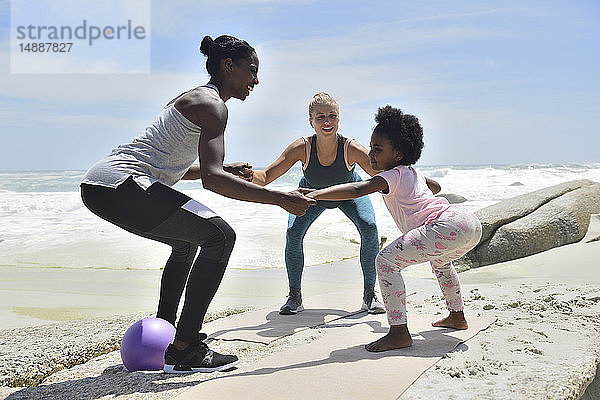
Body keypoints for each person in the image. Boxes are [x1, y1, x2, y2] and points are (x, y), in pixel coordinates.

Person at [80, 34, 315, 373]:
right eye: (251, 71)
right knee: (220, 236)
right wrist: (280, 198)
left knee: (187, 241)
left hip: (104, 185)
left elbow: (171, 165)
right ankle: (186, 348)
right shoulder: (213, 105)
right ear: (228, 65)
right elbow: (213, 179)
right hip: (121, 183)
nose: (256, 80)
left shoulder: (197, 98)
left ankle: (169, 332)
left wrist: (224, 168)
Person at [306, 105, 482, 352]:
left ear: (398, 154)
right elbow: (437, 187)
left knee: (386, 262)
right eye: (371, 147)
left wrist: (316, 194)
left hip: (444, 225)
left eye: (378, 149)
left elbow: (357, 189)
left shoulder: (390, 175)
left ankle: (399, 332)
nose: (371, 154)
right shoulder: (411, 172)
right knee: (441, 263)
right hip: (468, 223)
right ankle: (456, 315)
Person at [252, 93, 439, 316]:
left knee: (369, 228)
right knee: (293, 233)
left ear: (339, 119)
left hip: (350, 194)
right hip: (313, 194)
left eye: (332, 116)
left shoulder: (350, 148)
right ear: (311, 121)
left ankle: (370, 295)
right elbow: (264, 177)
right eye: (320, 117)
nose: (327, 121)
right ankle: (295, 297)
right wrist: (240, 175)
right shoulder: (301, 147)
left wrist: (422, 182)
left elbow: (389, 173)